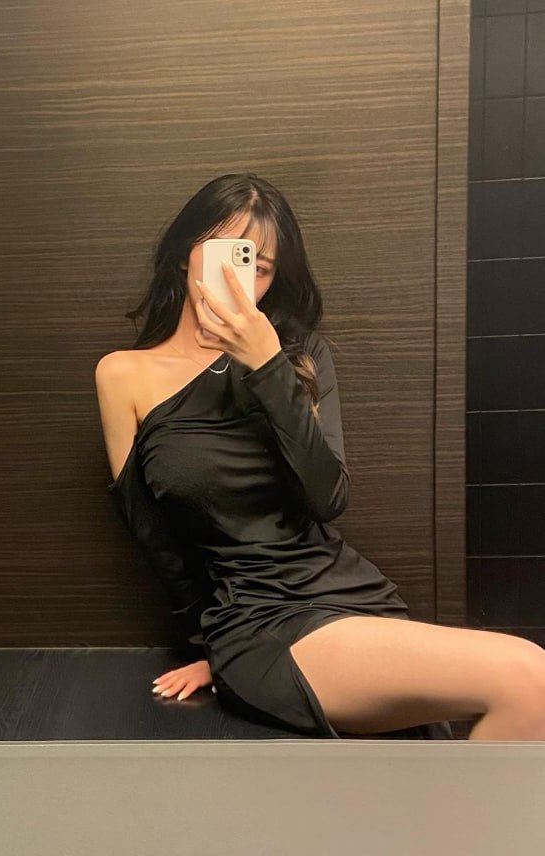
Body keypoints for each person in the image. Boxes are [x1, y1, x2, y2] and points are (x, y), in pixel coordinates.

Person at [95, 172, 545, 740]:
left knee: (485, 715)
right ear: (186, 255)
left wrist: (267, 366)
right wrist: (208, 648)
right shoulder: (123, 375)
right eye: (228, 254)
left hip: (350, 597)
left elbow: (327, 498)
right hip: (258, 621)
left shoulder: (300, 357)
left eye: (259, 267)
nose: (240, 278)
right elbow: (155, 539)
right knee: (531, 676)